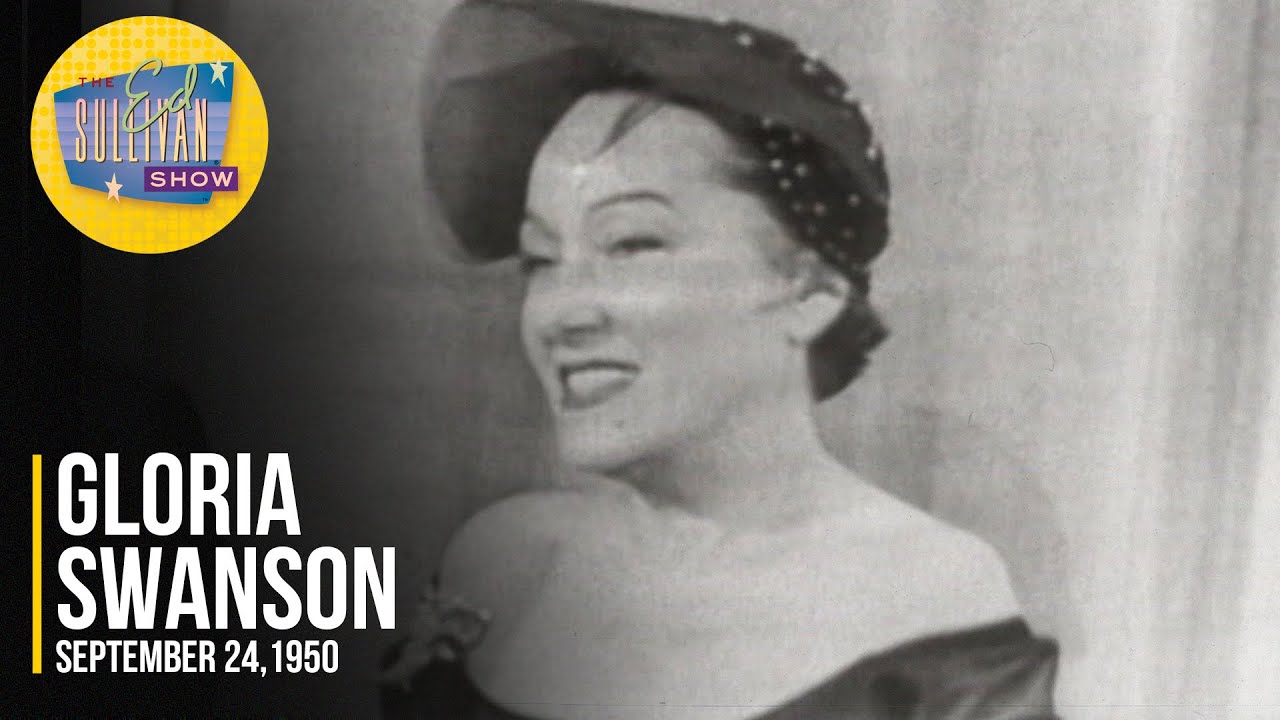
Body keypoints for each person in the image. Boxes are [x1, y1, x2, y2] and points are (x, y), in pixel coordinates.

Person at [382, 1, 1059, 718]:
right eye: (541, 260)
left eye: (632, 244)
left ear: (810, 293)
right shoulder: (503, 566)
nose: (560, 313)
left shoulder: (927, 596)